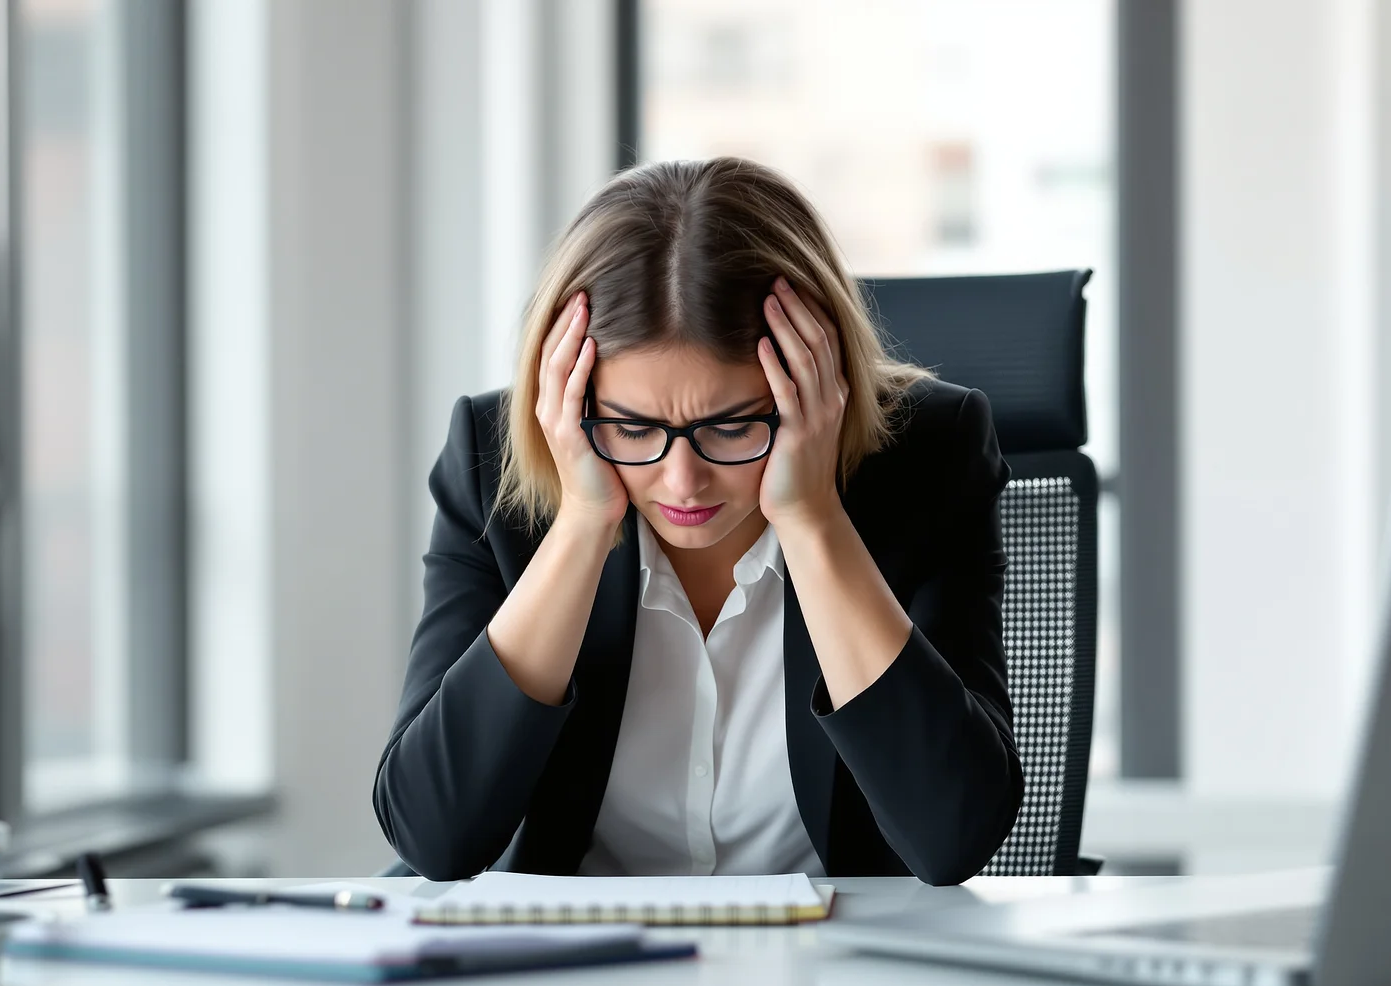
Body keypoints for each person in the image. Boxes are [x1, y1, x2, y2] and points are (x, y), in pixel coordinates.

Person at [373, 157, 1021, 884]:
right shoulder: (491, 465)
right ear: (573, 402)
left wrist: (810, 519)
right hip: (570, 970)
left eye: (734, 426)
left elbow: (954, 835)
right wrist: (585, 520)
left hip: (833, 971)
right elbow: (433, 835)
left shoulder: (929, 458)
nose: (682, 480)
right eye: (632, 427)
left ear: (814, 387)